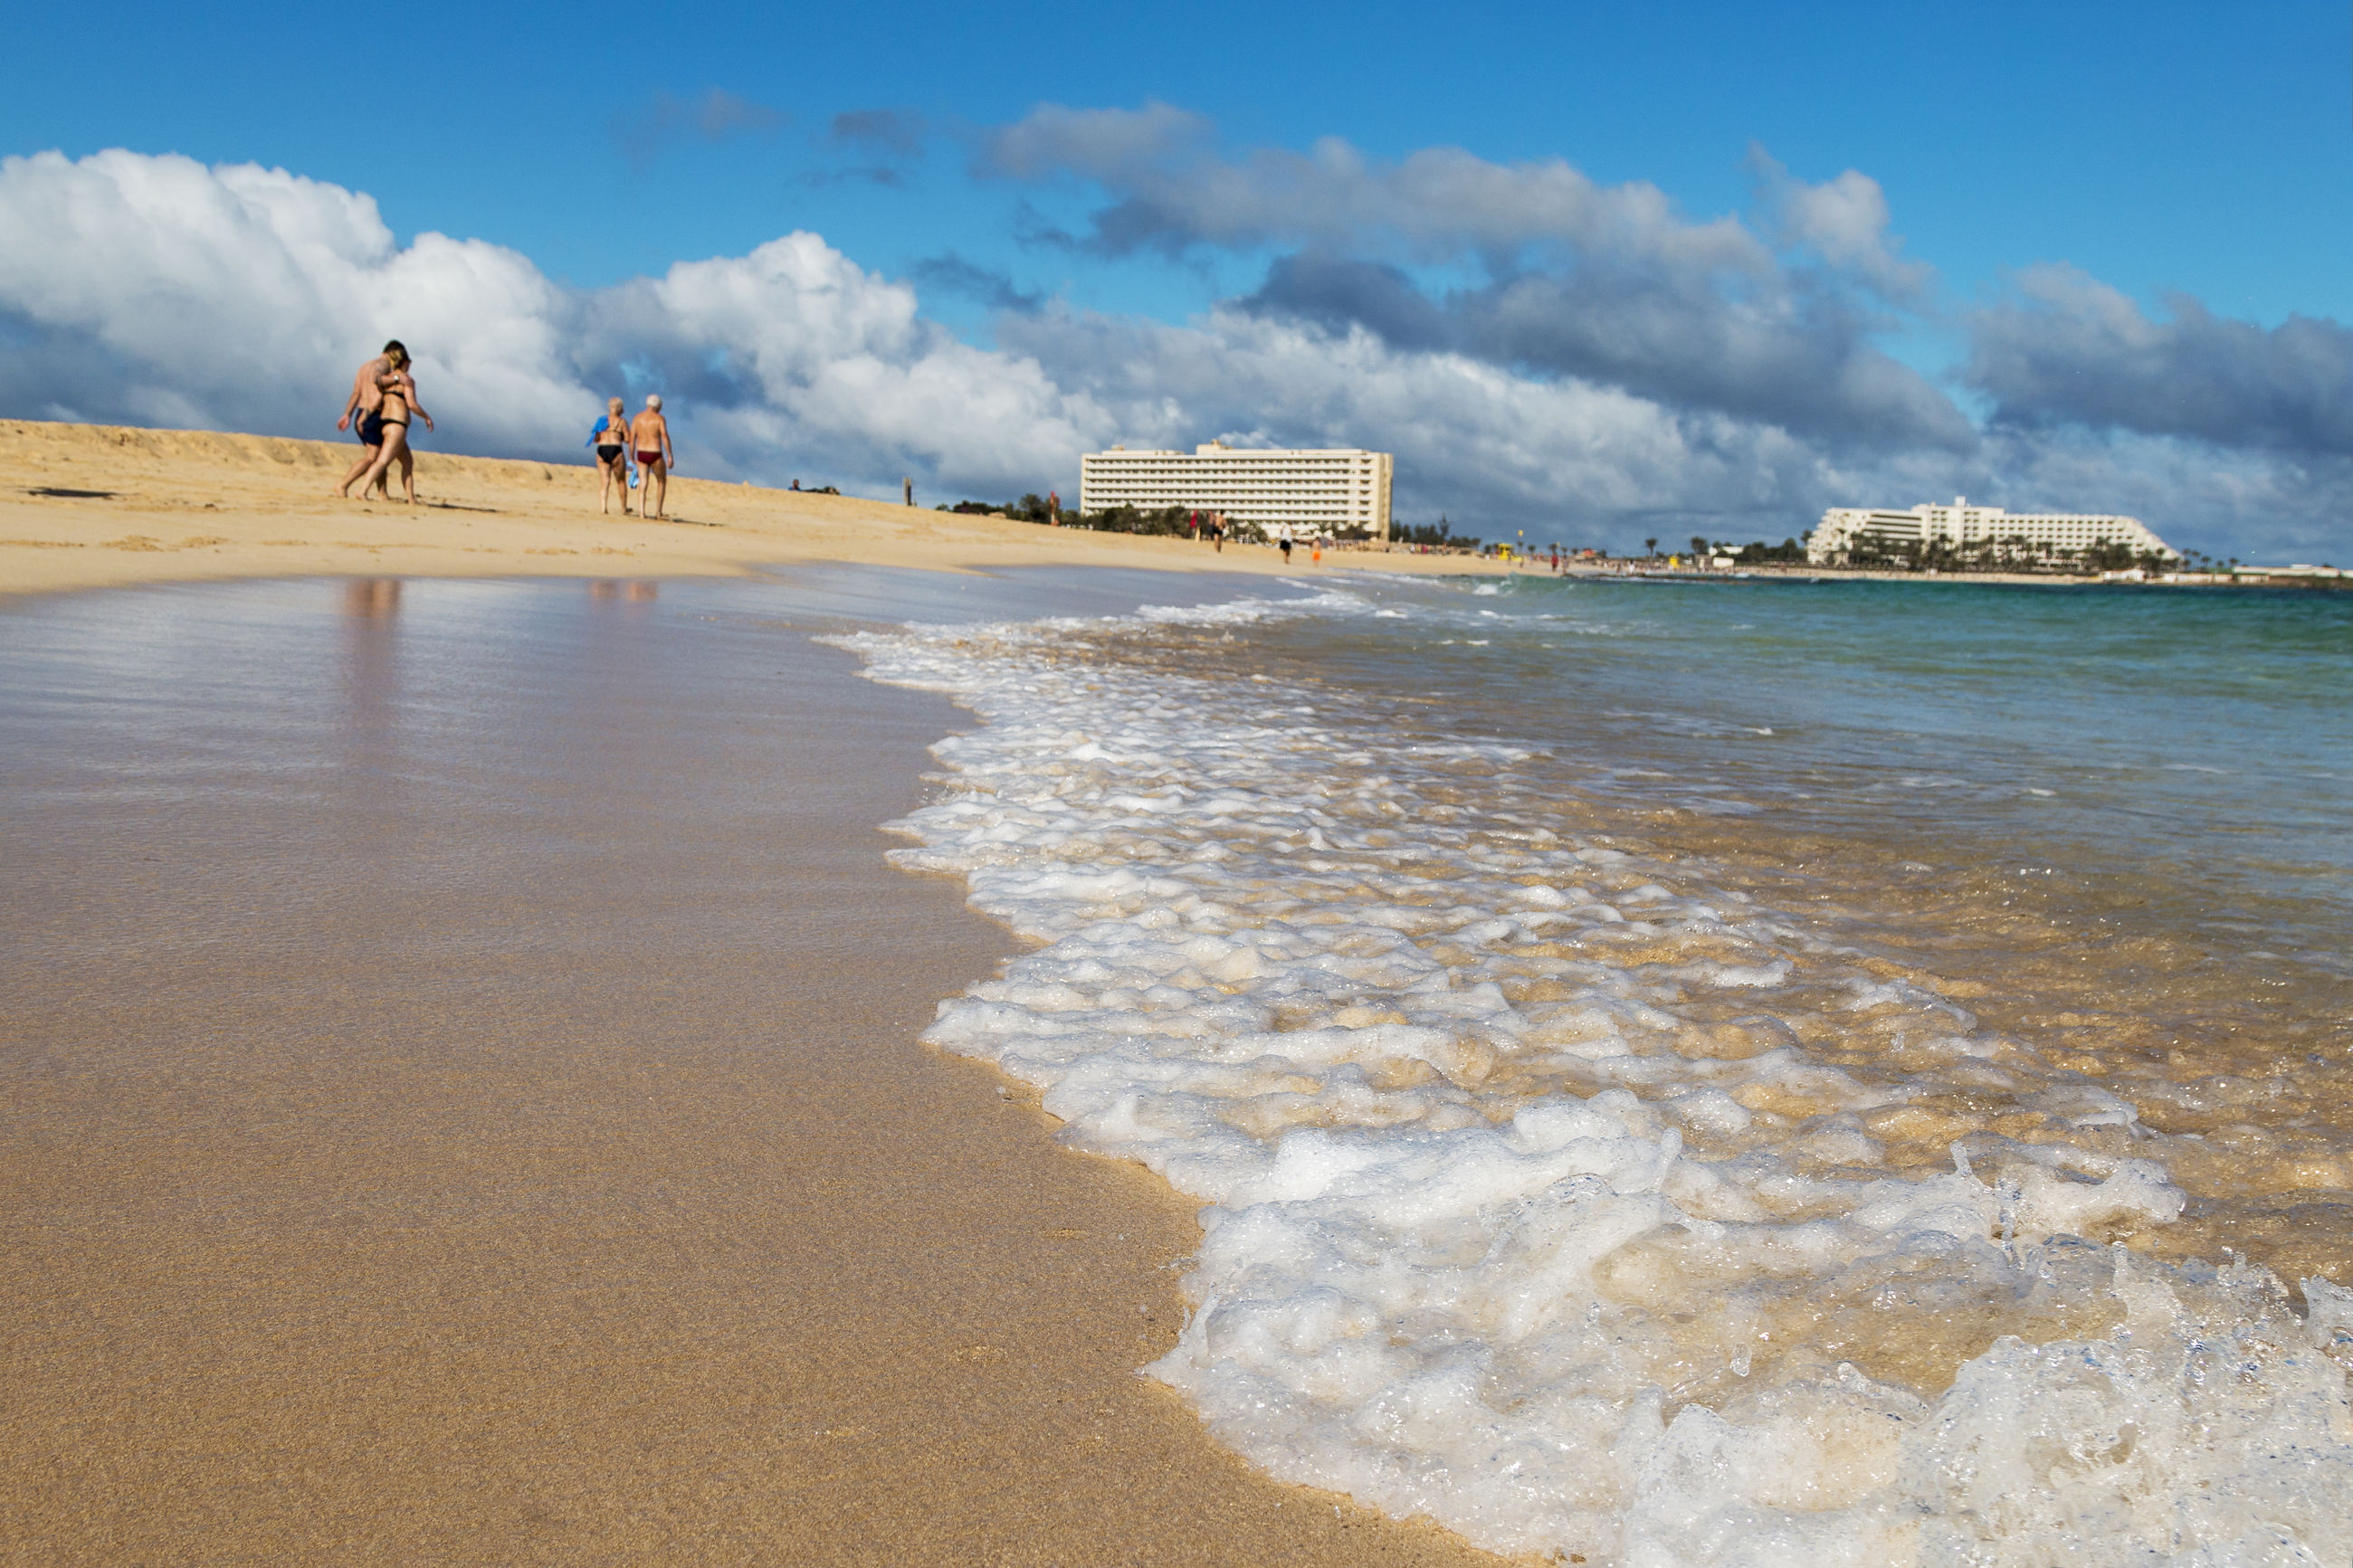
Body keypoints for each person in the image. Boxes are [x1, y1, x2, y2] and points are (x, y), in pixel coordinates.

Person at [341, 347, 433, 501]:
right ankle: (362, 491)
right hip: (397, 425)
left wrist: (361, 419)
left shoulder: (387, 380)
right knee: (381, 461)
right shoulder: (406, 380)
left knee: (407, 462)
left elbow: (374, 401)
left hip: (385, 423)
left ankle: (411, 499)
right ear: (404, 362)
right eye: (409, 361)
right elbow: (411, 403)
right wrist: (426, 416)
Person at [333, 339, 405, 499]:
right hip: (371, 413)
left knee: (380, 456)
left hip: (361, 411)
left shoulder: (364, 366)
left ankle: (382, 493)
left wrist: (348, 414)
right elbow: (378, 392)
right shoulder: (384, 366)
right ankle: (343, 484)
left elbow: (356, 393)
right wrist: (396, 380)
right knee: (373, 457)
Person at [630, 395, 674, 520]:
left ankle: (642, 512)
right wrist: (670, 455)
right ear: (658, 406)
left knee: (643, 482)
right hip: (655, 452)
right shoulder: (659, 419)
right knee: (661, 481)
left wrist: (631, 455)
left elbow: (632, 437)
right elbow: (664, 436)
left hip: (641, 452)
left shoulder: (637, 418)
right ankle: (658, 511)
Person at [591, 397, 633, 515]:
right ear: (619, 408)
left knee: (605, 481)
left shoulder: (602, 421)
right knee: (621, 481)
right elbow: (628, 439)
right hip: (616, 449)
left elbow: (595, 438)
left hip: (602, 448)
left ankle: (604, 507)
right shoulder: (622, 421)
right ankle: (623, 508)